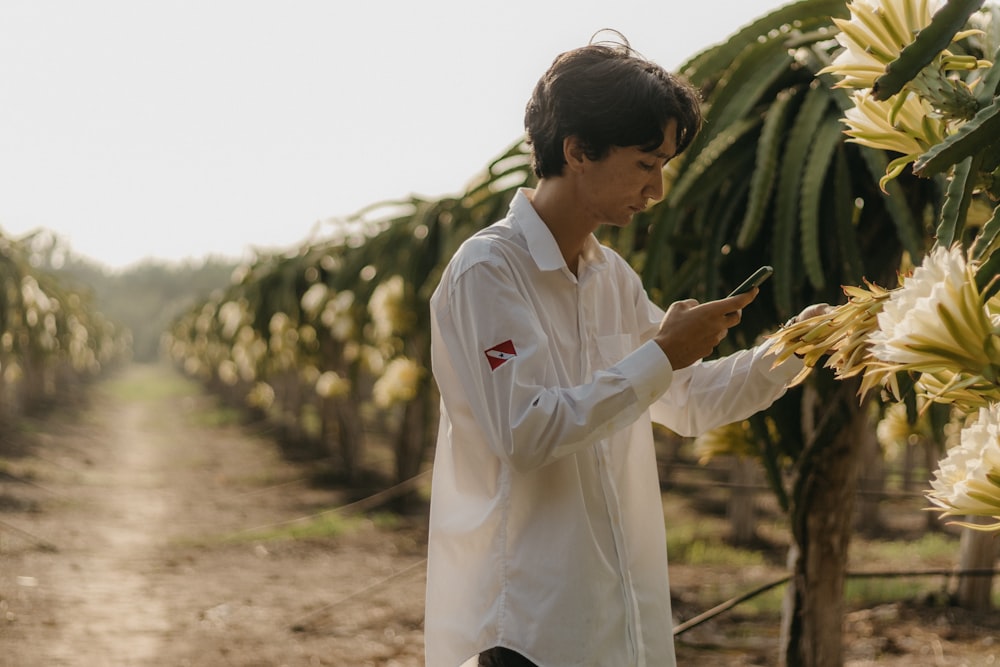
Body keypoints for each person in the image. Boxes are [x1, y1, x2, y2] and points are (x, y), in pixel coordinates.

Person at [424, 32, 821, 667]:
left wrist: (799, 347)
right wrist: (663, 354)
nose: (657, 189)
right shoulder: (489, 273)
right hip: (526, 627)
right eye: (646, 163)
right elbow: (527, 431)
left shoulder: (612, 278)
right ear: (578, 150)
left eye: (663, 164)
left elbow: (685, 402)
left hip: (616, 622)